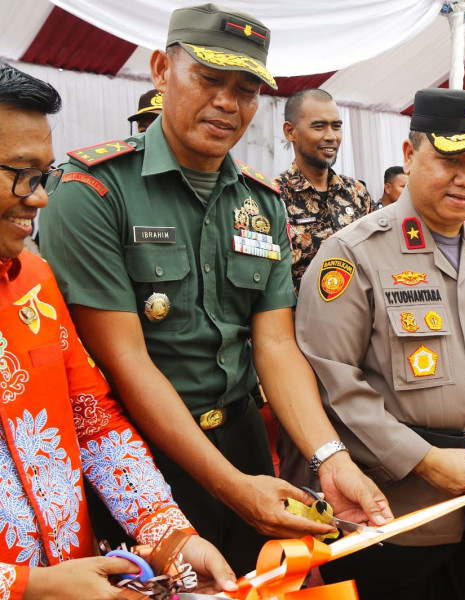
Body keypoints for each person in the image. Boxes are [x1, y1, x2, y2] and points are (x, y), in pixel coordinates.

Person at [39, 3, 391, 575]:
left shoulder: (260, 201)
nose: (228, 102)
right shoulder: (93, 192)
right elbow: (125, 360)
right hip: (139, 462)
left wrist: (329, 457)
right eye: (209, 78)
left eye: (247, 89)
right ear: (160, 69)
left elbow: (274, 345)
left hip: (244, 440)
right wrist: (230, 487)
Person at [295, 88, 465, 600]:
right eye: (449, 159)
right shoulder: (353, 254)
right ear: (409, 154)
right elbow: (331, 382)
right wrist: (420, 459)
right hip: (395, 517)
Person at [0, 60, 235, 600]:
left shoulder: (33, 278)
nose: (39, 198)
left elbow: (93, 421)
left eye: (43, 175)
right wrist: (28, 587)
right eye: (21, 174)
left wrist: (168, 536)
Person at [276, 88, 372, 293]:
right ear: (290, 131)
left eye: (336, 127)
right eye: (319, 127)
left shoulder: (356, 192)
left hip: (359, 319)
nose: (331, 136)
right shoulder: (274, 195)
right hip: (301, 321)